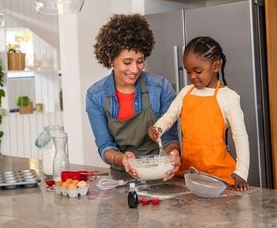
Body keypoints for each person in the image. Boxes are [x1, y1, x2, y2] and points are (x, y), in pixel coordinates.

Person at [148, 36, 250, 191]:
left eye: (198, 71)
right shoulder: (185, 92)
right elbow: (170, 117)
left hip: (219, 175)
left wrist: (241, 171)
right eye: (188, 72)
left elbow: (240, 136)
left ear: (216, 66)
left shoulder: (229, 98)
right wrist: (158, 128)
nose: (192, 77)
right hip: (189, 173)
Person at [86, 14, 181, 180]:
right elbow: (105, 146)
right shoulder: (96, 95)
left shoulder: (160, 87)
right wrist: (122, 159)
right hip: (121, 178)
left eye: (140, 61)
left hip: (160, 173)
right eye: (127, 62)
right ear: (110, 60)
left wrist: (172, 155)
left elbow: (169, 138)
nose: (135, 69)